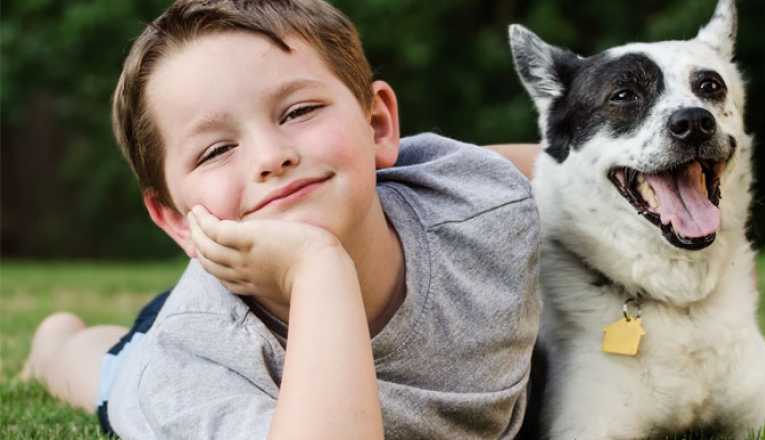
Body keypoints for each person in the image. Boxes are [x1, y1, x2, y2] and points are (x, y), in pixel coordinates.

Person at [19, 0, 543, 438]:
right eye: (216, 149)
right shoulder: (190, 371)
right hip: (215, 317)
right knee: (104, 369)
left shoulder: (483, 203)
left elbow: (575, 172)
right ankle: (54, 344)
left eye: (298, 112)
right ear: (174, 218)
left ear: (377, 125)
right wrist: (317, 268)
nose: (271, 156)